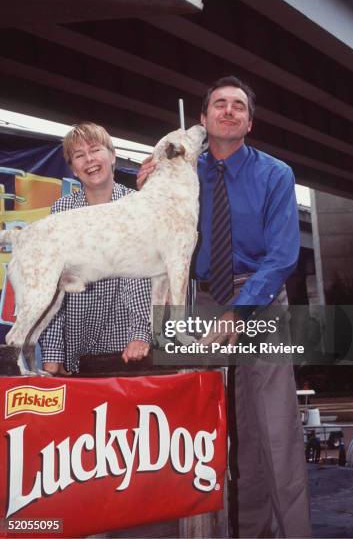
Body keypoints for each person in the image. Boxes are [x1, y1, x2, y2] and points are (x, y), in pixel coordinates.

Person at [138, 77, 311, 538]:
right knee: (201, 425)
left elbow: (283, 256)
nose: (229, 111)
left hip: (260, 299)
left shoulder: (276, 174)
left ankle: (294, 532)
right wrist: (148, 182)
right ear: (203, 118)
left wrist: (242, 310)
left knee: (273, 429)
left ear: (249, 122)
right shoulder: (183, 173)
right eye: (220, 104)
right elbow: (154, 231)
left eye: (239, 106)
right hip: (205, 298)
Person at [39, 122, 151, 376]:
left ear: (112, 156)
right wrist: (53, 354)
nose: (89, 159)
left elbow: (136, 276)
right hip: (77, 347)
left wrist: (140, 334)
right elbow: (55, 286)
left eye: (95, 150)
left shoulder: (137, 207)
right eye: (79, 155)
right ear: (73, 169)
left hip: (127, 348)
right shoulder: (61, 211)